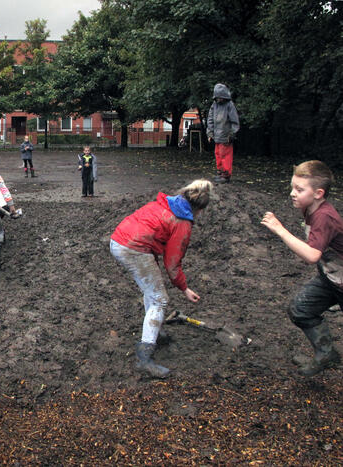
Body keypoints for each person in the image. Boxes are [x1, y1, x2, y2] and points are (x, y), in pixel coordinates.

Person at [110, 180, 213, 378]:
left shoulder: (163, 203)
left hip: (119, 240)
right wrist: (184, 288)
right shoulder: (182, 222)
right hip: (133, 249)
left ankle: (154, 332)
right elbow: (173, 263)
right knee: (160, 298)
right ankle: (144, 357)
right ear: (199, 209)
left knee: (152, 291)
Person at [261, 161, 342, 376]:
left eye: (299, 189)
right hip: (331, 279)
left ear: (318, 193)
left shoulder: (324, 216)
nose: (292, 193)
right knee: (300, 309)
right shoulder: (310, 209)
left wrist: (280, 230)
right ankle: (327, 354)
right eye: (292, 187)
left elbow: (312, 255)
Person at [206, 83, 240, 184]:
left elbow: (234, 121)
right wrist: (210, 133)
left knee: (225, 155)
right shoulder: (214, 105)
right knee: (218, 154)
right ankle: (220, 172)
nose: (219, 99)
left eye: (220, 97)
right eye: (217, 97)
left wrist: (232, 134)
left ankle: (226, 174)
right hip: (217, 135)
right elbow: (210, 119)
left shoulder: (230, 105)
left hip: (226, 136)